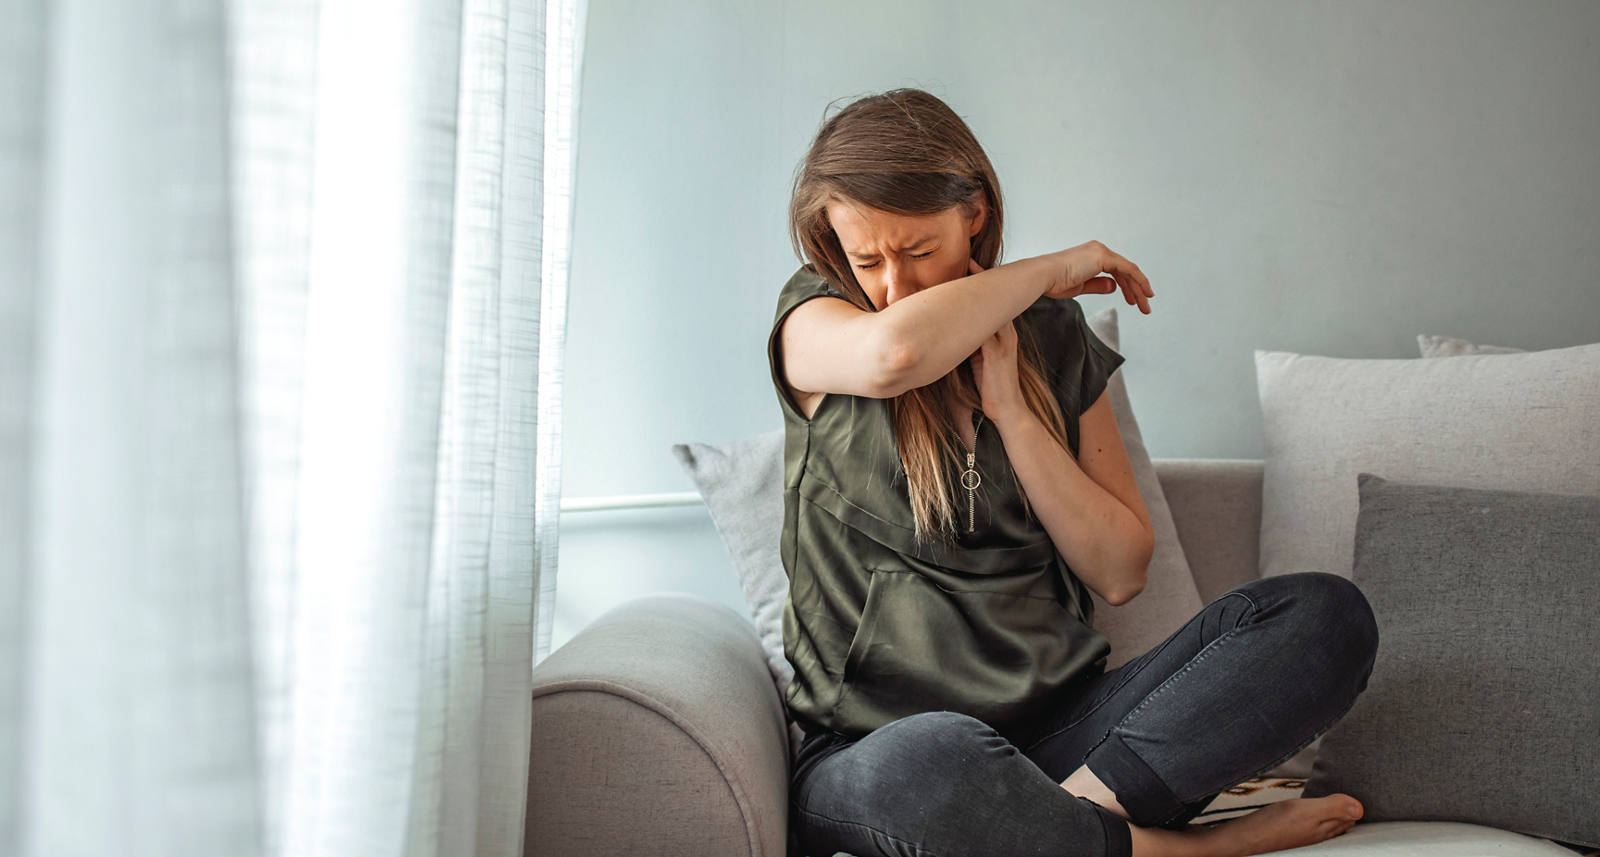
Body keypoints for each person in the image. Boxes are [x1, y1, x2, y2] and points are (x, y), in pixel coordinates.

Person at [767, 88, 1381, 857]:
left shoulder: (1052, 335)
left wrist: (1015, 415)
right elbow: (896, 353)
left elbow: (1121, 568)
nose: (893, 286)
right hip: (878, 750)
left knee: (1326, 617)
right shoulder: (817, 319)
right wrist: (1055, 266)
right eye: (868, 259)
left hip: (1069, 737)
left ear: (975, 214)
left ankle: (1048, 830)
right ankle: (1178, 851)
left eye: (919, 251)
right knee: (933, 759)